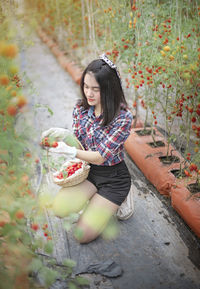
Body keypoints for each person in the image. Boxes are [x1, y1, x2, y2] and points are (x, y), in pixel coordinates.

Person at [42, 54, 133, 244]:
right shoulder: (81, 109)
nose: (88, 93)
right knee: (59, 209)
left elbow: (100, 157)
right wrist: (63, 135)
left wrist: (70, 151)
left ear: (108, 89)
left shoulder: (122, 118)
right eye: (85, 86)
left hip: (114, 178)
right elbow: (80, 143)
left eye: (95, 89)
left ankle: (119, 199)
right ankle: (96, 201)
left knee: (81, 236)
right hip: (89, 172)